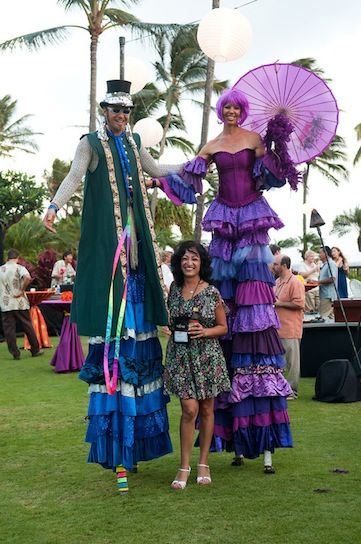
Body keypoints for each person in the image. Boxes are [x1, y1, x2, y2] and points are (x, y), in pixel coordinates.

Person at [43, 80, 197, 493]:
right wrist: (55, 206)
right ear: (104, 110)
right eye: (115, 110)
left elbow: (157, 170)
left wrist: (195, 163)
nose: (121, 117)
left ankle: (136, 451)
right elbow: (76, 175)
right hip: (112, 273)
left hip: (137, 266)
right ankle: (117, 454)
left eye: (126, 112)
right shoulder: (90, 144)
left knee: (140, 353)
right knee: (115, 354)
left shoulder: (132, 144)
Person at [170, 88, 296, 473]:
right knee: (226, 307)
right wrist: (153, 180)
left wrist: (277, 141)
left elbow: (271, 176)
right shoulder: (210, 145)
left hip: (252, 221)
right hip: (224, 223)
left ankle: (262, 442)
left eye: (237, 107)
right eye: (226, 106)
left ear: (243, 110)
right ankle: (229, 440)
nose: (231, 111)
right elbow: (187, 181)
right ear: (220, 109)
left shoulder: (254, 139)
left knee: (255, 307)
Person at [164, 241, 230, 489]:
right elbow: (172, 320)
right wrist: (169, 328)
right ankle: (184, 466)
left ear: (202, 263)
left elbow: (223, 327)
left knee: (206, 410)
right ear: (178, 263)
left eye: (194, 258)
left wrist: (205, 331)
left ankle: (203, 463)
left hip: (206, 356)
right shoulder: (174, 288)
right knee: (189, 409)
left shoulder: (211, 291)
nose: (188, 263)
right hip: (180, 357)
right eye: (184, 258)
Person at [0, 249, 43, 360]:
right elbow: (28, 277)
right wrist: (21, 290)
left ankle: (15, 353)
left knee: (9, 329)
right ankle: (35, 349)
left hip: (6, 303)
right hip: (19, 302)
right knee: (27, 325)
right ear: (17, 258)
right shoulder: (19, 268)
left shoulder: (1, 269)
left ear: (7, 258)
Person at [274, 255, 305, 399]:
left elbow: (299, 304)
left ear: (284, 266)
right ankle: (281, 388)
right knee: (281, 361)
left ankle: (292, 391)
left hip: (291, 328)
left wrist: (279, 303)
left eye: (276, 264)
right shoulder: (277, 281)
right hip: (278, 328)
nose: (273, 267)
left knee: (292, 362)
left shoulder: (295, 282)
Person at [318, 246, 338, 320]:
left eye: (320, 253)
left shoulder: (331, 264)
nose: (319, 255)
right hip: (324, 295)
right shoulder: (325, 265)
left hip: (328, 295)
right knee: (330, 317)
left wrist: (318, 282)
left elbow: (332, 278)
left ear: (326, 253)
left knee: (324, 316)